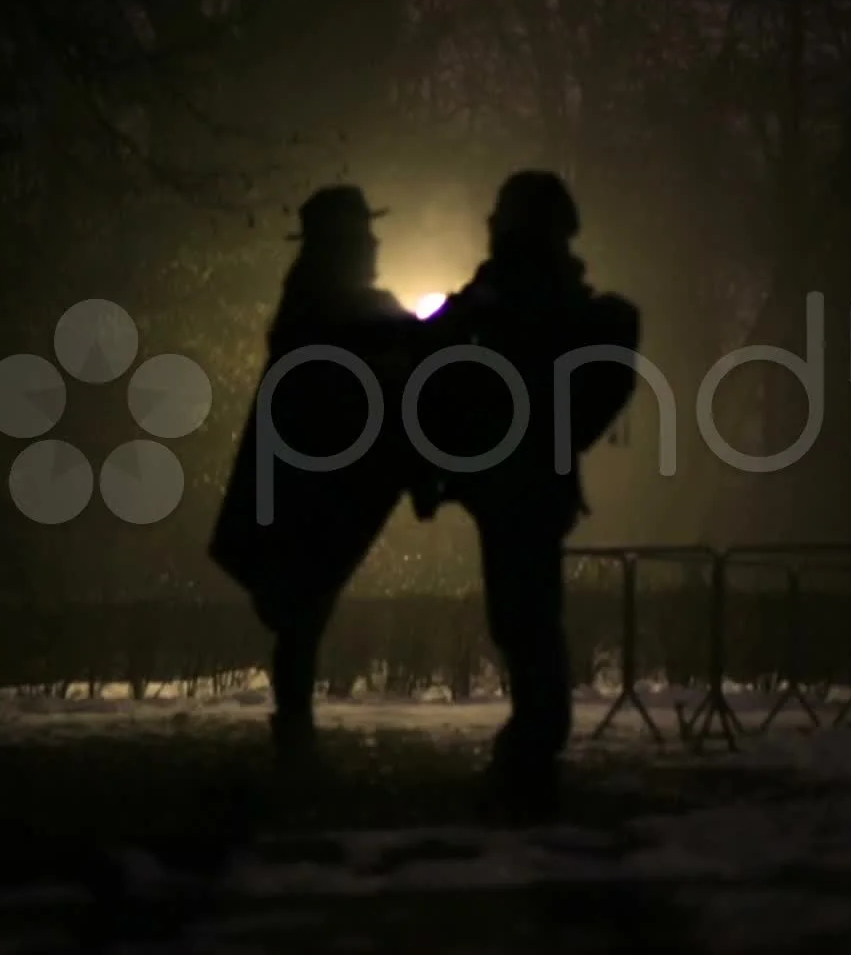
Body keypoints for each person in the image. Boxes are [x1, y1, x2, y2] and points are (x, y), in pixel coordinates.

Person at [415, 170, 639, 821]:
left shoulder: (520, 291)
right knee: (525, 613)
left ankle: (536, 743)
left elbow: (467, 347)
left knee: (525, 615)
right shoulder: (535, 290)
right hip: (526, 476)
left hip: (517, 477)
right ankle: (535, 739)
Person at [210, 186, 419, 771]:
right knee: (303, 606)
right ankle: (294, 729)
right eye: (366, 235)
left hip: (313, 485)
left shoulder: (320, 304)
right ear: (347, 244)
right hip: (313, 490)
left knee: (304, 608)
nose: (377, 244)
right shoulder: (327, 309)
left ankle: (294, 726)